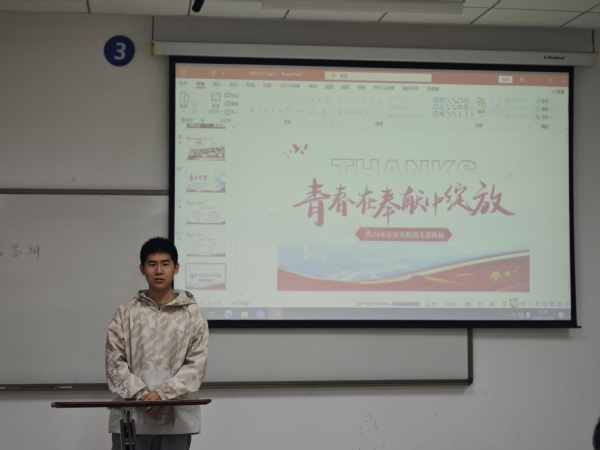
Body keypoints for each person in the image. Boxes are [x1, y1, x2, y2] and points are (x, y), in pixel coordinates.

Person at [105, 237, 209, 450]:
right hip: (132, 419)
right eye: (152, 264)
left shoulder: (192, 314)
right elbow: (114, 361)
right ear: (142, 269)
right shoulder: (126, 312)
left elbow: (196, 365)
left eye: (165, 264)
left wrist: (162, 395)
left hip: (176, 421)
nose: (159, 271)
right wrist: (143, 396)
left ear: (176, 268)